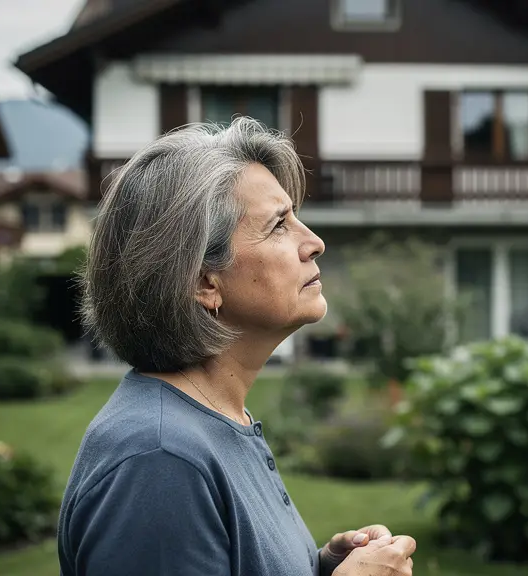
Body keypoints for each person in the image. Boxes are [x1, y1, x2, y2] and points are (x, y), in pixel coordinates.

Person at [57, 117, 416, 576]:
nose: (315, 243)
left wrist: (319, 567)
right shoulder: (160, 461)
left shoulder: (217, 421)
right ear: (204, 281)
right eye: (279, 225)